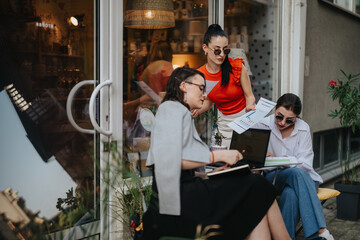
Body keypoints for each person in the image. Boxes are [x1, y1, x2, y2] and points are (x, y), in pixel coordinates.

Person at [142, 67, 291, 240]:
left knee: (255, 200)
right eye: (201, 88)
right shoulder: (172, 109)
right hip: (179, 200)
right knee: (257, 185)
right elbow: (168, 160)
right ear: (184, 86)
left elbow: (174, 167)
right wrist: (218, 156)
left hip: (182, 193)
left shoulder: (174, 110)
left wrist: (207, 175)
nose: (205, 95)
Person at [253, 93, 334, 240]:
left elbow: (306, 164)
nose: (282, 122)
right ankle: (320, 231)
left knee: (291, 193)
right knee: (295, 173)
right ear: (275, 109)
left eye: (289, 120)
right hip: (275, 178)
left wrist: (281, 160)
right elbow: (249, 149)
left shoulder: (303, 129)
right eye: (279, 116)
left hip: (305, 179)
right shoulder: (262, 124)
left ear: (296, 118)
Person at [194, 24, 256, 148]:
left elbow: (249, 96)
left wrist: (250, 107)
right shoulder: (200, 75)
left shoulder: (237, 67)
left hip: (243, 122)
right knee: (219, 163)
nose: (222, 54)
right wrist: (195, 110)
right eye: (217, 50)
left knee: (242, 163)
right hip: (223, 125)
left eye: (225, 50)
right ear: (205, 48)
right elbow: (210, 100)